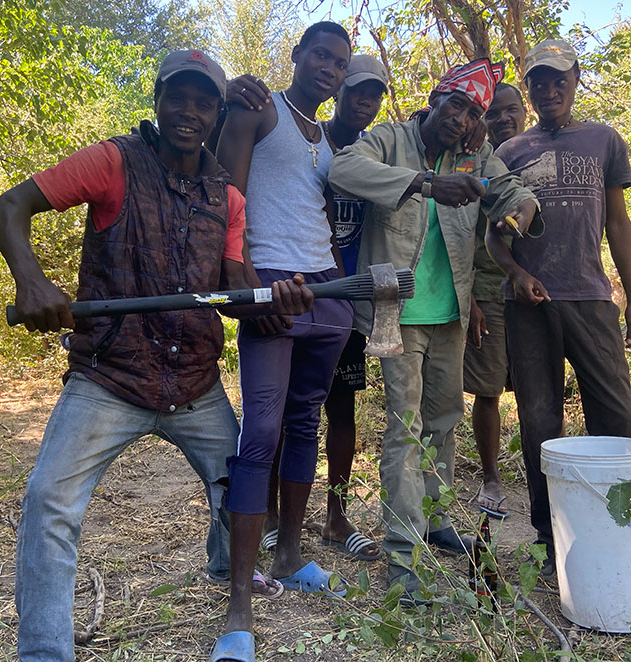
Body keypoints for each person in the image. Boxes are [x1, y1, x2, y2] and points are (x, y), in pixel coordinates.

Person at [0, 50, 312, 662]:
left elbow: (234, 291)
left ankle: (229, 576)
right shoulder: (112, 161)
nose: (188, 111)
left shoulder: (227, 198)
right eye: (178, 97)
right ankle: (44, 651)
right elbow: (9, 208)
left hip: (194, 381)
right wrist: (30, 282)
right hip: (107, 378)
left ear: (217, 114)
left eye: (203, 101)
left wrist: (276, 298)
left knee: (242, 499)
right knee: (47, 500)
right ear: (157, 99)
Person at [328, 58, 540, 602]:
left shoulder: (476, 153)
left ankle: (434, 520)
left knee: (444, 421)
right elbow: (342, 170)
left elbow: (509, 191)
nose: (462, 120)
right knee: (404, 429)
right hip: (394, 313)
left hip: (452, 314)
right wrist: (426, 183)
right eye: (455, 105)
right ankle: (403, 558)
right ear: (435, 100)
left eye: (474, 113)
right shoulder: (389, 140)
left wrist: (519, 209)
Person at [213, 22, 354, 662]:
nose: (327, 67)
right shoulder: (256, 106)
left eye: (338, 62)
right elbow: (226, 197)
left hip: (326, 289)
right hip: (269, 281)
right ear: (296, 55)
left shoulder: (326, 137)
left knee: (304, 424)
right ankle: (240, 604)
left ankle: (293, 553)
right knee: (260, 432)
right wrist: (244, 287)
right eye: (319, 55)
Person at [486, 39, 631, 576]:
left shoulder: (603, 140)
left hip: (591, 298)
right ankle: (547, 533)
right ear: (529, 88)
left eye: (559, 80)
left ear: (576, 79)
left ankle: (620, 525)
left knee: (617, 416)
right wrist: (518, 274)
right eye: (539, 82)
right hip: (530, 306)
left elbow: (618, 223)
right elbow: (495, 239)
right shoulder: (510, 154)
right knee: (539, 421)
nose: (549, 90)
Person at [464, 82, 528, 519]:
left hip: (536, 291)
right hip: (488, 291)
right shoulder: (474, 159)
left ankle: (541, 473)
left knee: (535, 389)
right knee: (488, 391)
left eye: (512, 110)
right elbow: (455, 234)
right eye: (495, 113)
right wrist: (467, 295)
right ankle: (491, 476)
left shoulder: (535, 154)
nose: (505, 119)